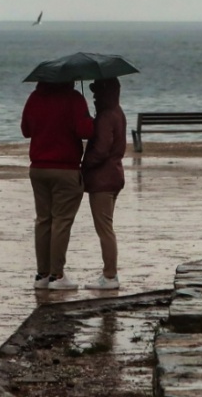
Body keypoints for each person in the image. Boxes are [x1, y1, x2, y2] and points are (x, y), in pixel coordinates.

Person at [21, 81, 94, 290]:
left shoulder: (34, 98)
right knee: (62, 221)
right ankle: (57, 275)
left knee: (43, 220)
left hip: (38, 168)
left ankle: (41, 274)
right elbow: (85, 131)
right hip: (66, 168)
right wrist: (89, 118)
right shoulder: (74, 99)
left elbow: (26, 130)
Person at [80, 77, 126, 290]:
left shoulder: (106, 116)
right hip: (114, 175)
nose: (95, 96)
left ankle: (110, 275)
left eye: (98, 91)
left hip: (103, 179)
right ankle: (109, 274)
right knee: (106, 226)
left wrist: (85, 164)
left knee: (104, 229)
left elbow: (101, 149)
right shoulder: (118, 112)